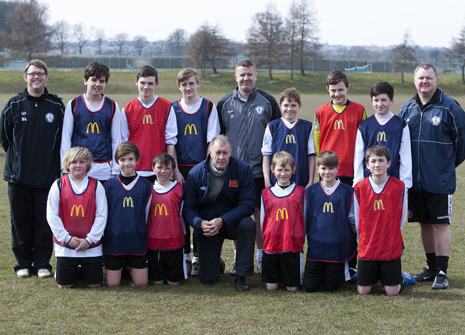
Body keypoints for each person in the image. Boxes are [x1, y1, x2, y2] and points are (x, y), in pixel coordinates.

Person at [399, 63, 465, 289]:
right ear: (414, 81)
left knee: (440, 224)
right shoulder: (407, 108)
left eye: (428, 77)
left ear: (436, 80)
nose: (424, 81)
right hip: (414, 181)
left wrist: (443, 167)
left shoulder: (450, 108)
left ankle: (442, 272)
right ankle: (430, 268)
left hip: (439, 180)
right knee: (424, 224)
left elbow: (461, 145)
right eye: (420, 78)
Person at [0, 59, 65, 278]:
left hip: (47, 177)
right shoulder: (13, 105)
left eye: (41, 73)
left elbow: (62, 140)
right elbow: (6, 138)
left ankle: (43, 264)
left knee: (44, 222)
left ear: (46, 77)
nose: (36, 77)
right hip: (18, 177)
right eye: (32, 73)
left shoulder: (56, 106)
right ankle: (23, 264)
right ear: (25, 76)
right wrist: (19, 159)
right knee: (20, 222)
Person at [217, 59, 281, 276]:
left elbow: (277, 135)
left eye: (250, 74)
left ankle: (262, 258)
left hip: (259, 172)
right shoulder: (224, 103)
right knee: (236, 215)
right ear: (235, 77)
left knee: (259, 215)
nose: (246, 78)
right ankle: (237, 260)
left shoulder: (269, 102)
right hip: (232, 172)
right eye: (242, 75)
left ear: (256, 76)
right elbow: (218, 139)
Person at [182, 135, 256, 291]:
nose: (222, 157)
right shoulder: (195, 173)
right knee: (208, 279)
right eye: (218, 153)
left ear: (231, 152)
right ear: (210, 152)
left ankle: (241, 275)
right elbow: (188, 209)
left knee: (248, 224)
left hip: (231, 222)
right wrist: (200, 223)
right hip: (208, 227)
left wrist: (223, 220)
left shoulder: (243, 170)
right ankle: (217, 263)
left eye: (225, 152)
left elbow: (248, 205)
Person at [172, 68, 220, 276]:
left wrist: (206, 170)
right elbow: (171, 142)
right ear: (179, 86)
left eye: (191, 83)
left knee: (201, 213)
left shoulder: (208, 107)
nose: (188, 87)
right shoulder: (173, 108)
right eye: (184, 84)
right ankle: (185, 257)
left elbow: (212, 142)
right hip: (180, 169)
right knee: (182, 214)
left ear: (197, 84)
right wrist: (174, 170)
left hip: (201, 169)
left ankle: (199, 258)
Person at [46, 147, 107, 288]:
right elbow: (51, 215)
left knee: (95, 285)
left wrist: (89, 240)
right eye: (74, 162)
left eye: (82, 161)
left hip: (91, 247)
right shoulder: (58, 185)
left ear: (88, 164)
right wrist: (67, 238)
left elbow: (102, 215)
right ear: (67, 164)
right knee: (65, 285)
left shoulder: (97, 185)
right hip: (66, 246)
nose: (78, 165)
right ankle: (67, 269)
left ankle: (83, 269)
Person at [354, 145, 408, 296]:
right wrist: (364, 239)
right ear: (367, 165)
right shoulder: (359, 187)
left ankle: (402, 277)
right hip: (369, 246)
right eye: (373, 161)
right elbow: (358, 218)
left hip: (390, 245)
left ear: (389, 163)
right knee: (363, 291)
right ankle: (378, 274)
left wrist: (392, 234)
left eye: (381, 160)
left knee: (392, 292)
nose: (377, 164)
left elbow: (401, 217)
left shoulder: (399, 186)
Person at [303, 151, 356, 292]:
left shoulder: (348, 191)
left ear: (337, 169)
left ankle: (348, 270)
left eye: (331, 168)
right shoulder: (310, 192)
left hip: (337, 248)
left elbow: (352, 220)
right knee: (309, 287)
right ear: (318, 169)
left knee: (331, 287)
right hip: (316, 248)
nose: (327, 172)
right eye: (323, 168)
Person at [120, 65, 182, 184]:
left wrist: (172, 171)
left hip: (160, 171)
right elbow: (123, 143)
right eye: (142, 83)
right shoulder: (127, 109)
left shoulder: (167, 107)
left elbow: (170, 142)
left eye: (150, 83)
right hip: (135, 170)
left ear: (156, 84)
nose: (146, 87)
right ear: (136, 82)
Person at [60, 61, 121, 183]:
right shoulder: (74, 104)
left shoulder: (112, 106)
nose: (97, 84)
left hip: (104, 169)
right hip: (79, 168)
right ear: (85, 81)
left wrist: (115, 170)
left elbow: (116, 139)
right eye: (94, 80)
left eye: (102, 81)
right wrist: (65, 169)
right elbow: (66, 138)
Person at [103, 142, 153, 287]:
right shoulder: (109, 185)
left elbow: (148, 215)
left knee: (142, 284)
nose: (127, 163)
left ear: (137, 160)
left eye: (131, 159)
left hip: (137, 240)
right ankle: (121, 268)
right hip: (115, 241)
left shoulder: (146, 185)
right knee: (112, 284)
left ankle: (128, 267)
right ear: (117, 161)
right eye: (123, 160)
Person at [260, 151, 305, 292]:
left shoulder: (300, 192)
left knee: (292, 288)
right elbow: (263, 219)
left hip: (292, 244)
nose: (283, 174)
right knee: (271, 287)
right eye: (280, 170)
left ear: (293, 170)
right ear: (272, 170)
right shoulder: (266, 193)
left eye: (287, 170)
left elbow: (305, 218)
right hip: (272, 244)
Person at [353, 81, 412, 188]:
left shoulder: (401, 124)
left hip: (394, 180)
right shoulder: (364, 126)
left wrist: (406, 185)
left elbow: (405, 156)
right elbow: (359, 156)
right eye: (376, 100)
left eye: (384, 100)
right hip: (369, 182)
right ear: (371, 101)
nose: (379, 104)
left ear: (391, 101)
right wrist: (358, 182)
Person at [314, 70, 366, 186]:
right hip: (328, 169)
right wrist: (323, 161)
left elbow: (364, 139)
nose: (337, 94)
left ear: (348, 87)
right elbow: (317, 139)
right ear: (327, 89)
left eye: (340, 89)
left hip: (351, 169)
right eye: (333, 90)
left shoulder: (359, 110)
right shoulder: (320, 111)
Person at [262, 88, 315, 189]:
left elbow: (311, 156)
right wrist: (267, 181)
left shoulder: (307, 127)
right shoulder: (272, 126)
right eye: (286, 105)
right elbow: (266, 155)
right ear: (280, 105)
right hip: (277, 181)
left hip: (301, 180)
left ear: (299, 106)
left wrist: (311, 181)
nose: (289, 109)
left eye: (293, 105)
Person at [147, 153, 186, 286]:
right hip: (154, 242)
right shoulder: (148, 190)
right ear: (153, 168)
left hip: (174, 241)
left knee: (173, 283)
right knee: (156, 282)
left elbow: (183, 215)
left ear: (173, 169)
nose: (163, 171)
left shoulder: (179, 190)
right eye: (159, 167)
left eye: (167, 168)